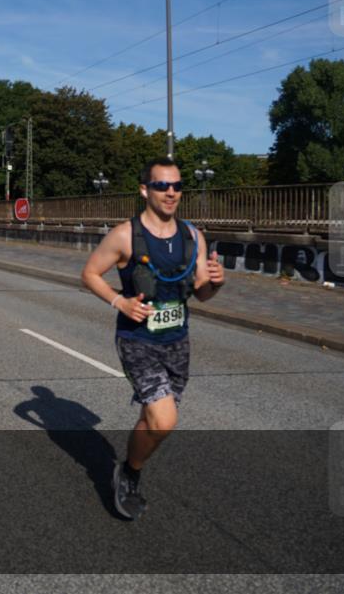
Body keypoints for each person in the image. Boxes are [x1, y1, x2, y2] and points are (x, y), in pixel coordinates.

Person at [81, 158, 225, 520]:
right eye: (162, 185)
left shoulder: (193, 236)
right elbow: (89, 273)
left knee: (155, 418)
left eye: (177, 186)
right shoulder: (124, 235)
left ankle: (127, 468)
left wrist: (216, 282)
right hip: (136, 339)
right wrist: (120, 301)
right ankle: (130, 473)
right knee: (164, 419)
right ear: (145, 189)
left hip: (178, 339)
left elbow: (202, 293)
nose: (171, 192)